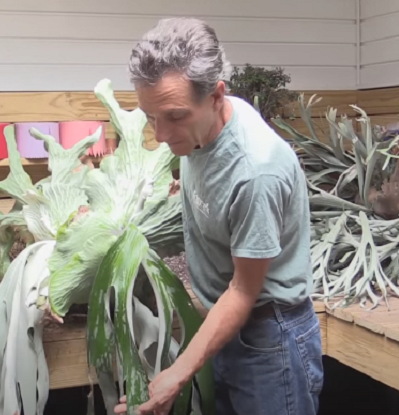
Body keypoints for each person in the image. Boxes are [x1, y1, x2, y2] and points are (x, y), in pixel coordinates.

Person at [114, 17, 323, 415]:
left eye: (174, 116)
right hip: (224, 330)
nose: (159, 134)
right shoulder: (201, 127)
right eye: (150, 116)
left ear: (216, 95)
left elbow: (244, 293)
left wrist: (177, 373)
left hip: (269, 339)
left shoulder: (255, 172)